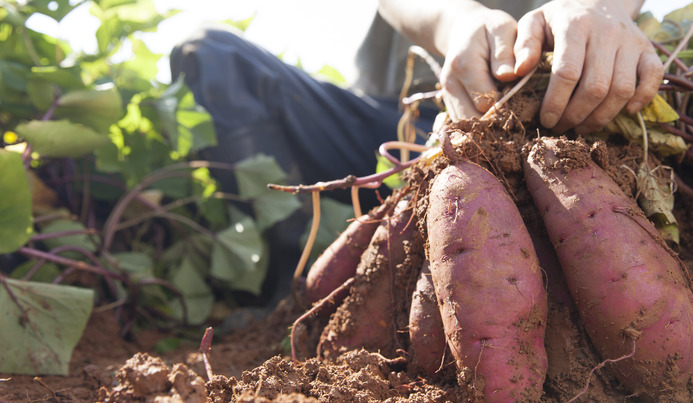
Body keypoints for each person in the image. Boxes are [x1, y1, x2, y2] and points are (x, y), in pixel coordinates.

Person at [170, 0, 662, 305]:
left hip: (551, 134)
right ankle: (289, 286)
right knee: (210, 52)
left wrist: (603, 8)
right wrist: (458, 22)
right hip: (403, 126)